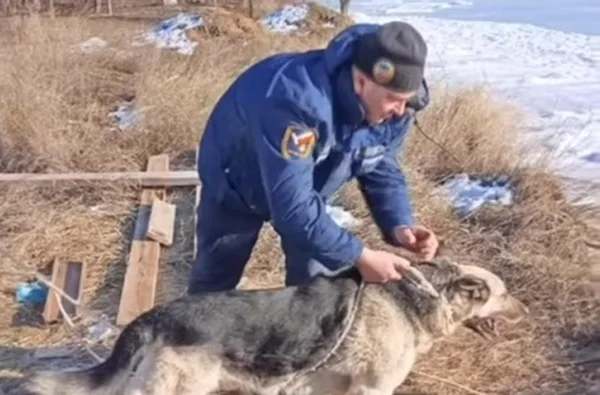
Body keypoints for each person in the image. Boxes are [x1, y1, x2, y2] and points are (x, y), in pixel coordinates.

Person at [188, 20, 439, 294]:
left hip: (307, 190)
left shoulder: (394, 109)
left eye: (407, 99)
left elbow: (381, 163)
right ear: (361, 81)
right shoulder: (295, 104)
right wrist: (360, 257)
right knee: (213, 287)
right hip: (237, 179)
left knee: (315, 290)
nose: (401, 110)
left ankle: (302, 333)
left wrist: (400, 224)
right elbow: (292, 208)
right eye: (394, 98)